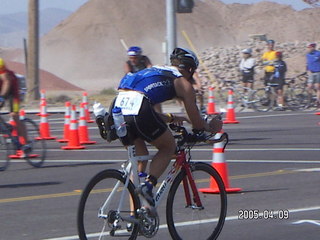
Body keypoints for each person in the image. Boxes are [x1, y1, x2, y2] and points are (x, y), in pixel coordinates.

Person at [114, 47, 223, 207]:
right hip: (138, 108)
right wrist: (210, 127)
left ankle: (135, 216)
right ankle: (148, 187)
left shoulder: (157, 71)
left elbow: (143, 109)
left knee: (140, 159)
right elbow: (198, 124)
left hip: (117, 109)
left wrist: (173, 118)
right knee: (168, 147)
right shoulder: (183, 82)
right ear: (191, 69)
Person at [0, 58, 31, 154]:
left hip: (11, 89)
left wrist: (1, 98)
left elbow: (6, 81)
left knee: (14, 115)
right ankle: (6, 127)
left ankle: (25, 144)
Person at [306, 43, 320, 108]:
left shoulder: (318, 53)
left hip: (318, 72)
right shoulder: (308, 55)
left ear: (313, 47)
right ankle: (309, 101)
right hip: (311, 73)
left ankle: (318, 101)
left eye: (310, 47)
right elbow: (307, 63)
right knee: (309, 87)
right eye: (308, 48)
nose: (309, 49)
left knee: (317, 87)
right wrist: (307, 70)